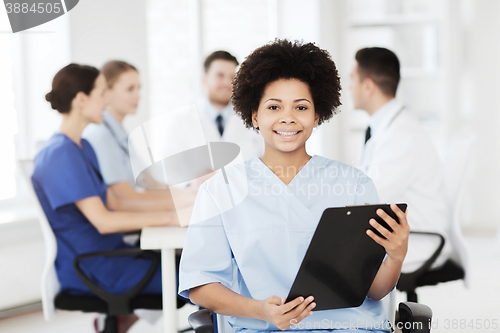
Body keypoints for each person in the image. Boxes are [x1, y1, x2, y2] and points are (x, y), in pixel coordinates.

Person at [179, 40, 410, 333]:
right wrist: (260, 310)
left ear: (316, 116)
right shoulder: (220, 190)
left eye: (300, 107)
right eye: (274, 106)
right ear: (254, 115)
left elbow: (376, 290)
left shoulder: (354, 184)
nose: (287, 117)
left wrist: (396, 256)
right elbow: (201, 284)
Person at [32, 64, 184, 333]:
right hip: (98, 268)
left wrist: (178, 210)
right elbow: (102, 221)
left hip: (113, 257)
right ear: (81, 100)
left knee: (196, 263)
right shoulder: (60, 153)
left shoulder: (82, 146)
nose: (106, 101)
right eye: (102, 94)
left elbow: (114, 203)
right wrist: (173, 216)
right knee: (204, 274)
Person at [350, 47, 452, 273]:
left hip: (419, 241)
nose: (349, 87)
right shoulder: (387, 128)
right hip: (401, 233)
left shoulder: (401, 135)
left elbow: (369, 196)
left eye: (352, 80)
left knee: (337, 260)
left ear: (368, 87)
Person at [82, 60, 196, 211]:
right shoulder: (101, 135)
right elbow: (124, 196)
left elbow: (148, 181)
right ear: (107, 93)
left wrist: (188, 193)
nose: (138, 95)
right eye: (130, 89)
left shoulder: (120, 134)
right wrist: (183, 201)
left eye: (138, 88)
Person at [198, 50, 264, 161]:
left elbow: (265, 165)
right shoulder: (183, 121)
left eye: (232, 77)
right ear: (204, 78)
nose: (227, 83)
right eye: (220, 75)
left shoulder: (253, 120)